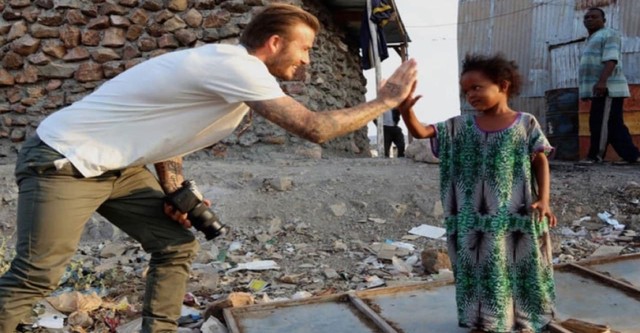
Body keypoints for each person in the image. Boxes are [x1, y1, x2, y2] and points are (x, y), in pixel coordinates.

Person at [0, 4, 417, 332]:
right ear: (274, 43)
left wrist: (175, 190)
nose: (307, 62)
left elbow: (170, 132)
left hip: (116, 166)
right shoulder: (238, 67)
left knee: (175, 242)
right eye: (304, 49)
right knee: (36, 274)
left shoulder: (227, 70)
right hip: (65, 158)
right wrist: (387, 101)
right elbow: (315, 127)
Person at [398, 53, 557, 333]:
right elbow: (422, 132)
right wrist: (405, 110)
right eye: (466, 90)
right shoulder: (460, 127)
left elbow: (539, 159)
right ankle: (486, 321)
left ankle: (524, 319)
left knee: (522, 266)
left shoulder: (526, 123)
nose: (470, 95)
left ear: (503, 85)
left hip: (516, 214)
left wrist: (543, 200)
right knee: (481, 268)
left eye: (477, 87)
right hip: (474, 219)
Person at [578, 7, 640, 165]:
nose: (589, 19)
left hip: (608, 88)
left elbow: (611, 59)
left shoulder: (609, 34)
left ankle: (595, 156)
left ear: (603, 20)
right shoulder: (591, 39)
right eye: (587, 17)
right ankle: (632, 156)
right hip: (601, 89)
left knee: (599, 123)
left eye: (594, 17)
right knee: (614, 125)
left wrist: (602, 82)